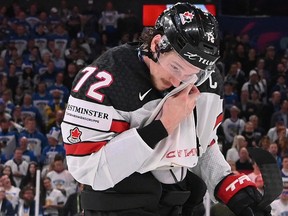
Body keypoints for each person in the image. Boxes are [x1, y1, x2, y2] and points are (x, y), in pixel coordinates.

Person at [61, 2, 271, 216]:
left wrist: (228, 185)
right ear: (156, 44)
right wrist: (161, 127)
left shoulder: (209, 82)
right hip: (117, 205)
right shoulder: (104, 81)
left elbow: (201, 146)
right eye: (175, 67)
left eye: (192, 74)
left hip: (178, 203)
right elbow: (87, 169)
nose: (178, 81)